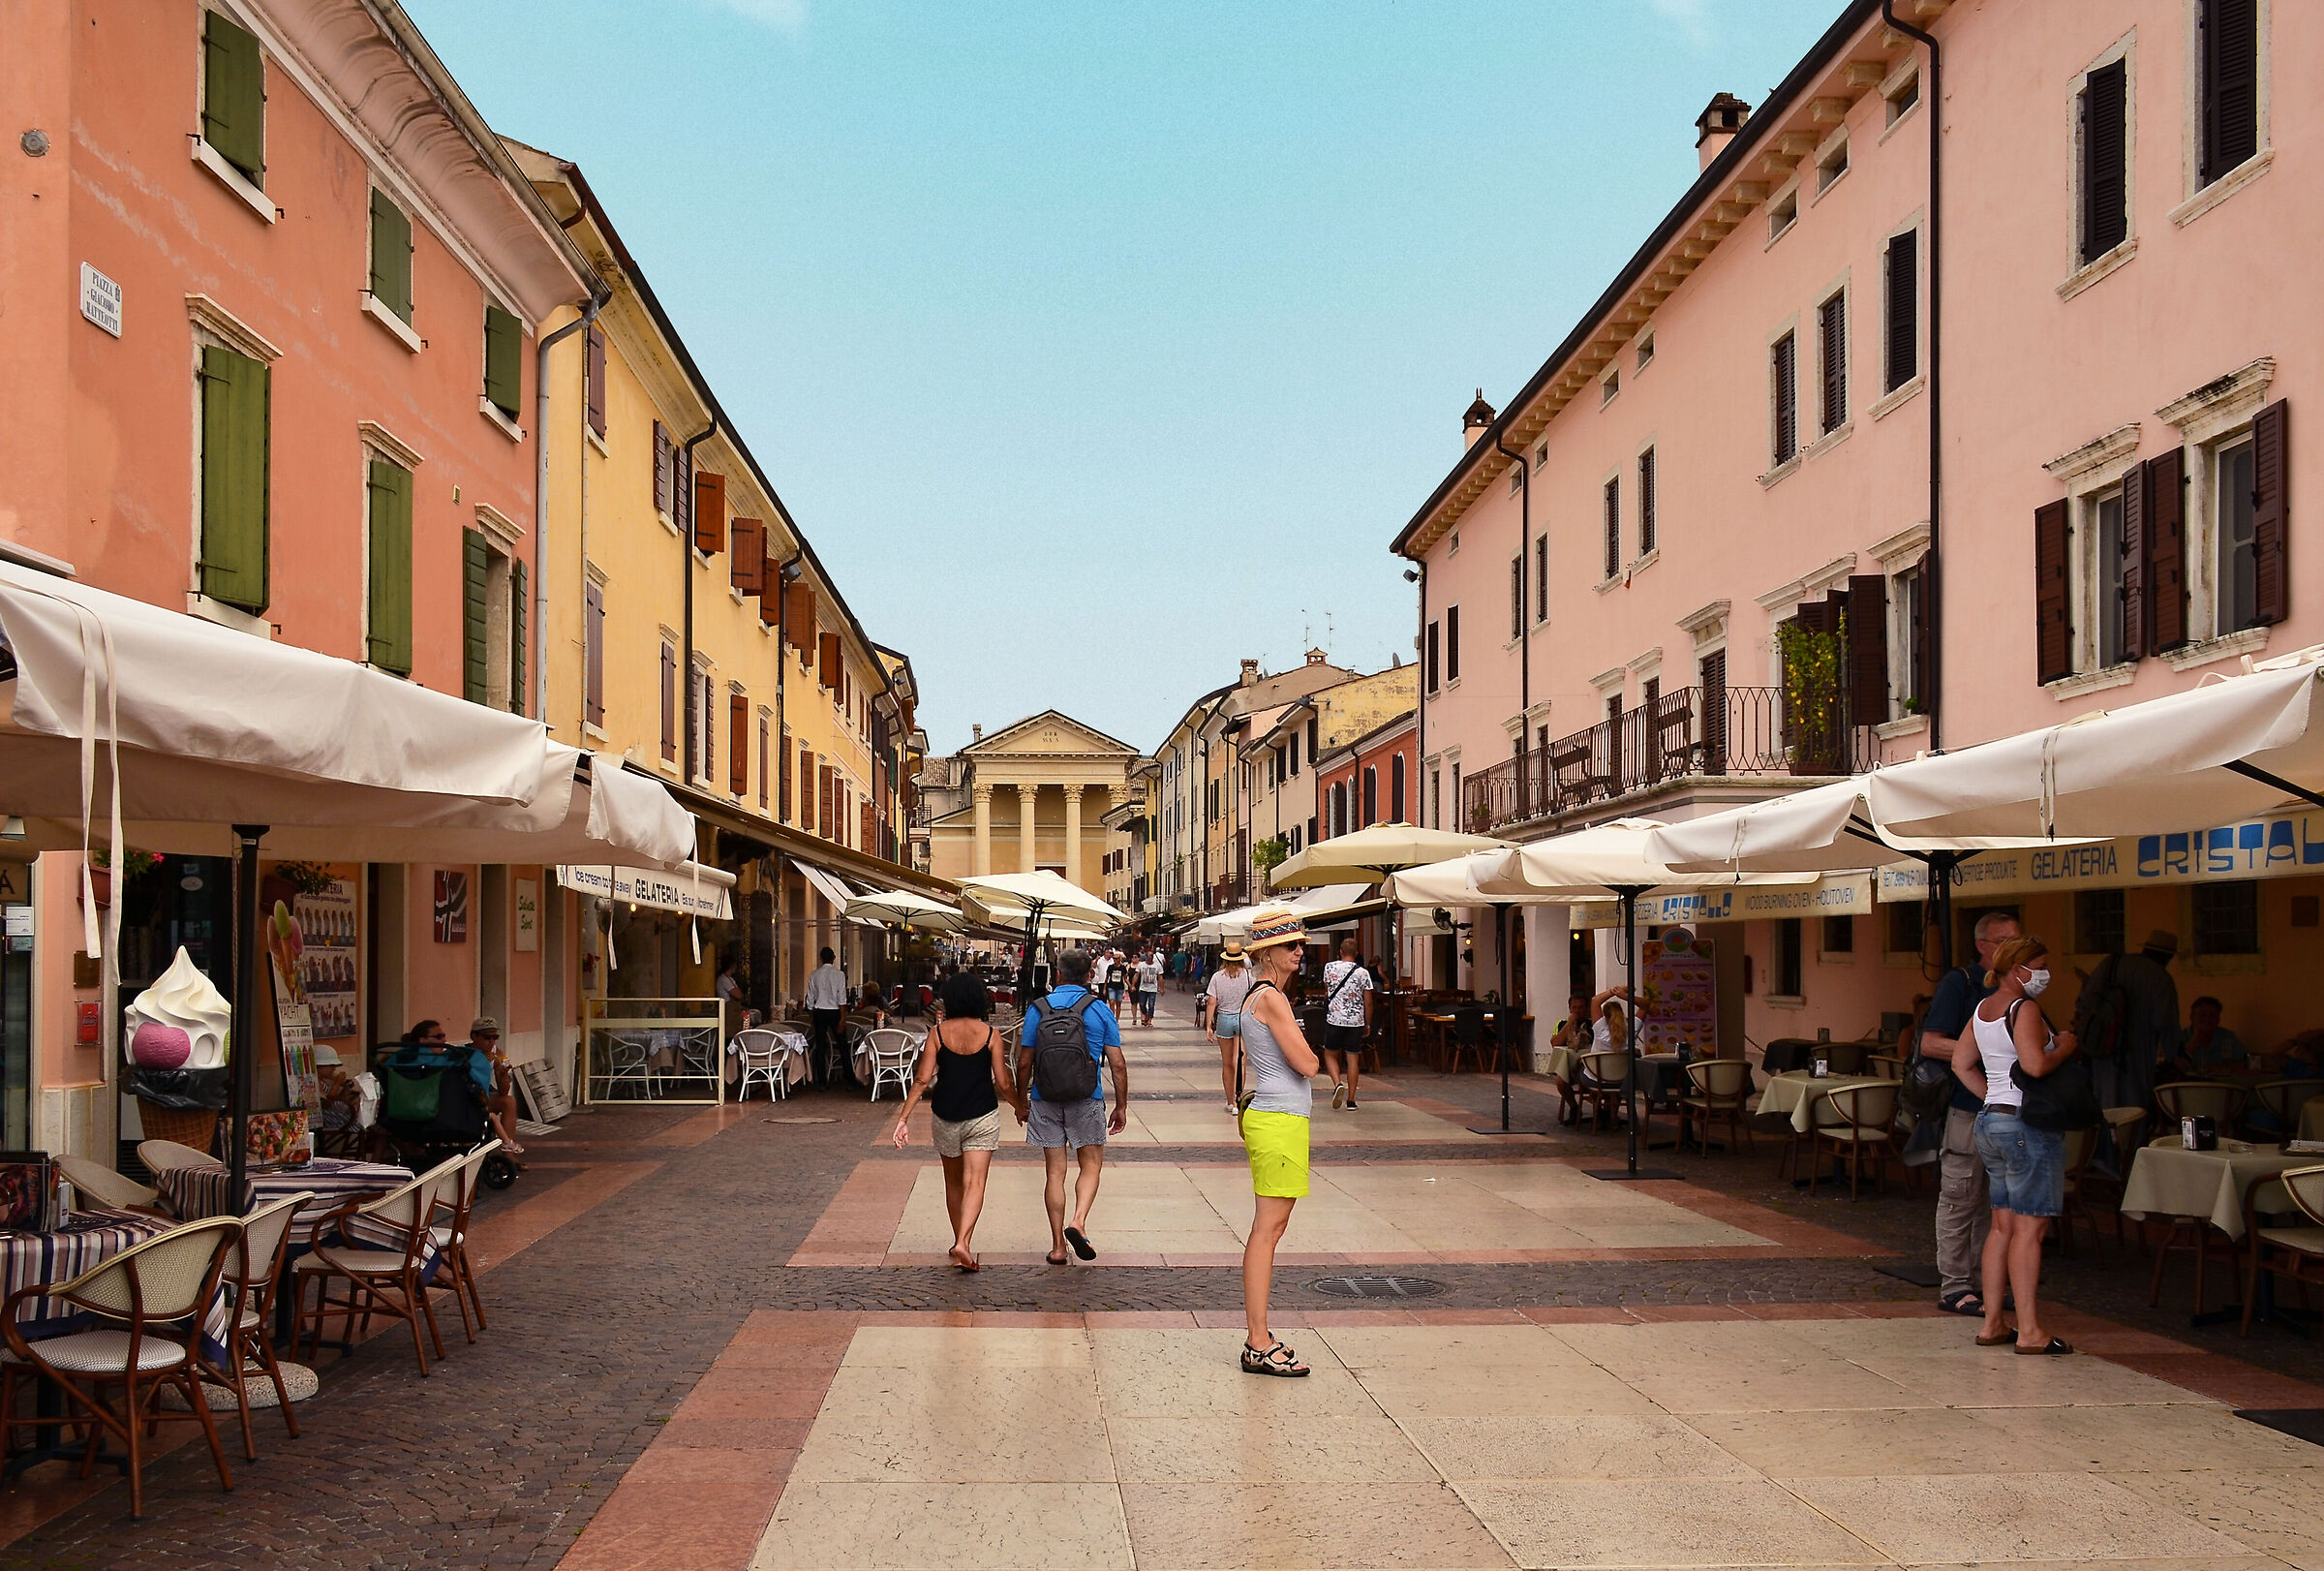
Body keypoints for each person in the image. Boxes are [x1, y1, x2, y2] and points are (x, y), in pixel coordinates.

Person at [1952, 934, 2079, 1356]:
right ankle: (2030, 1331)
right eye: (2039, 967)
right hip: (2026, 1125)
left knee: (2002, 1226)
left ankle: (1993, 1323)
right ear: (2017, 968)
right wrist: (2064, 1047)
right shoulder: (2024, 1008)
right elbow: (2035, 1065)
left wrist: (1992, 1098)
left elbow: (1960, 1063)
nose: (2045, 975)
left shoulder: (1983, 1009)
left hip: (1991, 1122)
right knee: (2030, 1230)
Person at [1913, 910, 2018, 1317]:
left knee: (1993, 1201)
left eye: (2017, 940)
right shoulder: (1961, 984)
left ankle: (1983, 1281)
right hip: (1966, 1108)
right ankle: (1955, 1285)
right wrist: (1980, 1052)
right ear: (1982, 945)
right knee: (1960, 1196)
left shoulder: (2016, 988)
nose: (2012, 948)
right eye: (2003, 941)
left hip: (2005, 1112)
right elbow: (1930, 1043)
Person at [1234, 908, 1323, 1375]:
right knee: (1267, 1230)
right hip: (1279, 1119)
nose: (1300, 951)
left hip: (1275, 1117)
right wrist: (1314, 1052)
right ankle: (1258, 1340)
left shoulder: (1258, 995)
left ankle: (1258, 1337)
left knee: (1271, 1227)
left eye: (1301, 943)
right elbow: (1307, 1064)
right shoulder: (1271, 998)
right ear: (1267, 952)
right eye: (1291, 945)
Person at [891, 971, 1017, 1272]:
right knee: (975, 1182)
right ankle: (964, 1242)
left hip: (945, 1115)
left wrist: (903, 1118)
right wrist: (1020, 1107)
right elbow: (1003, 1083)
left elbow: (922, 1080)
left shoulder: (937, 1034)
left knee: (953, 1182)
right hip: (982, 1115)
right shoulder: (991, 1035)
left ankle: (958, 1242)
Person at [1013, 949, 1128, 1264]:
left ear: (1058, 974)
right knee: (1090, 1165)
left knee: (1054, 1172)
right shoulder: (1099, 1009)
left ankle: (1057, 1247)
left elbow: (1023, 1062)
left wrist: (1022, 1101)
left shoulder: (1038, 1009)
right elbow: (1117, 1064)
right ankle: (1078, 1220)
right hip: (1086, 1097)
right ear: (1089, 975)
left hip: (1045, 1097)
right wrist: (1121, 1106)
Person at [1318, 938, 1375, 1111]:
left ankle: (1337, 1083)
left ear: (1340, 952)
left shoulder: (1329, 968)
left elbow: (1327, 991)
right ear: (1356, 954)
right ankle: (1351, 1100)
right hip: (1355, 1022)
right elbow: (1369, 1003)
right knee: (1353, 1059)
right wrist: (1368, 1024)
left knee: (1330, 1053)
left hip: (1334, 1019)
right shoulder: (1363, 973)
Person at [1205, 939, 1257, 1115]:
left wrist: (1208, 1026)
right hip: (1243, 1019)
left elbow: (1212, 1002)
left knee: (1227, 1062)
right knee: (1240, 1061)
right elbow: (1255, 998)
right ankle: (1238, 1099)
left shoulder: (1217, 977)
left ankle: (1229, 1100)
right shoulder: (1250, 976)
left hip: (1224, 1019)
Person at [467, 1017, 526, 1161]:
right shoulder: (465, 1053)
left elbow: (504, 1091)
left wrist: (502, 1074)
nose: (491, 1041)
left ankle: (508, 1154)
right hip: (468, 1095)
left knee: (509, 1101)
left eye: (495, 1037)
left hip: (486, 1094)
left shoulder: (497, 1053)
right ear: (474, 1036)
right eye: (487, 1037)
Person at [2164, 996, 2247, 1078]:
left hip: (2220, 1084)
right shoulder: (2178, 1037)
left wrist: (2221, 1069)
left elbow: (2246, 1062)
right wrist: (2195, 1039)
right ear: (2191, 1017)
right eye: (2202, 1014)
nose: (2207, 1019)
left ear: (2218, 1020)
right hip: (2188, 1084)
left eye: (2212, 1015)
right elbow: (2174, 1068)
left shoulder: (2228, 1037)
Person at [806, 946, 847, 1081]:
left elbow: (810, 999)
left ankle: (821, 1081)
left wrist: (811, 1017)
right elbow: (842, 998)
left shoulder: (814, 975)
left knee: (820, 1047)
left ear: (821, 958)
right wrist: (843, 1018)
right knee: (843, 1046)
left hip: (819, 1012)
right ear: (834, 958)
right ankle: (850, 1079)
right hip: (834, 1012)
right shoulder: (839, 975)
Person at [1132, 949, 1161, 1027]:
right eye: (1147, 956)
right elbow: (1136, 975)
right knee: (1142, 1004)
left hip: (1153, 988)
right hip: (1143, 988)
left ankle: (1150, 1020)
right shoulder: (1141, 965)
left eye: (1150, 956)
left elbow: (1160, 977)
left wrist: (1161, 988)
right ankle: (1146, 1014)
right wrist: (1133, 985)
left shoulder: (1157, 966)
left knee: (1151, 1004)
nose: (1149, 958)